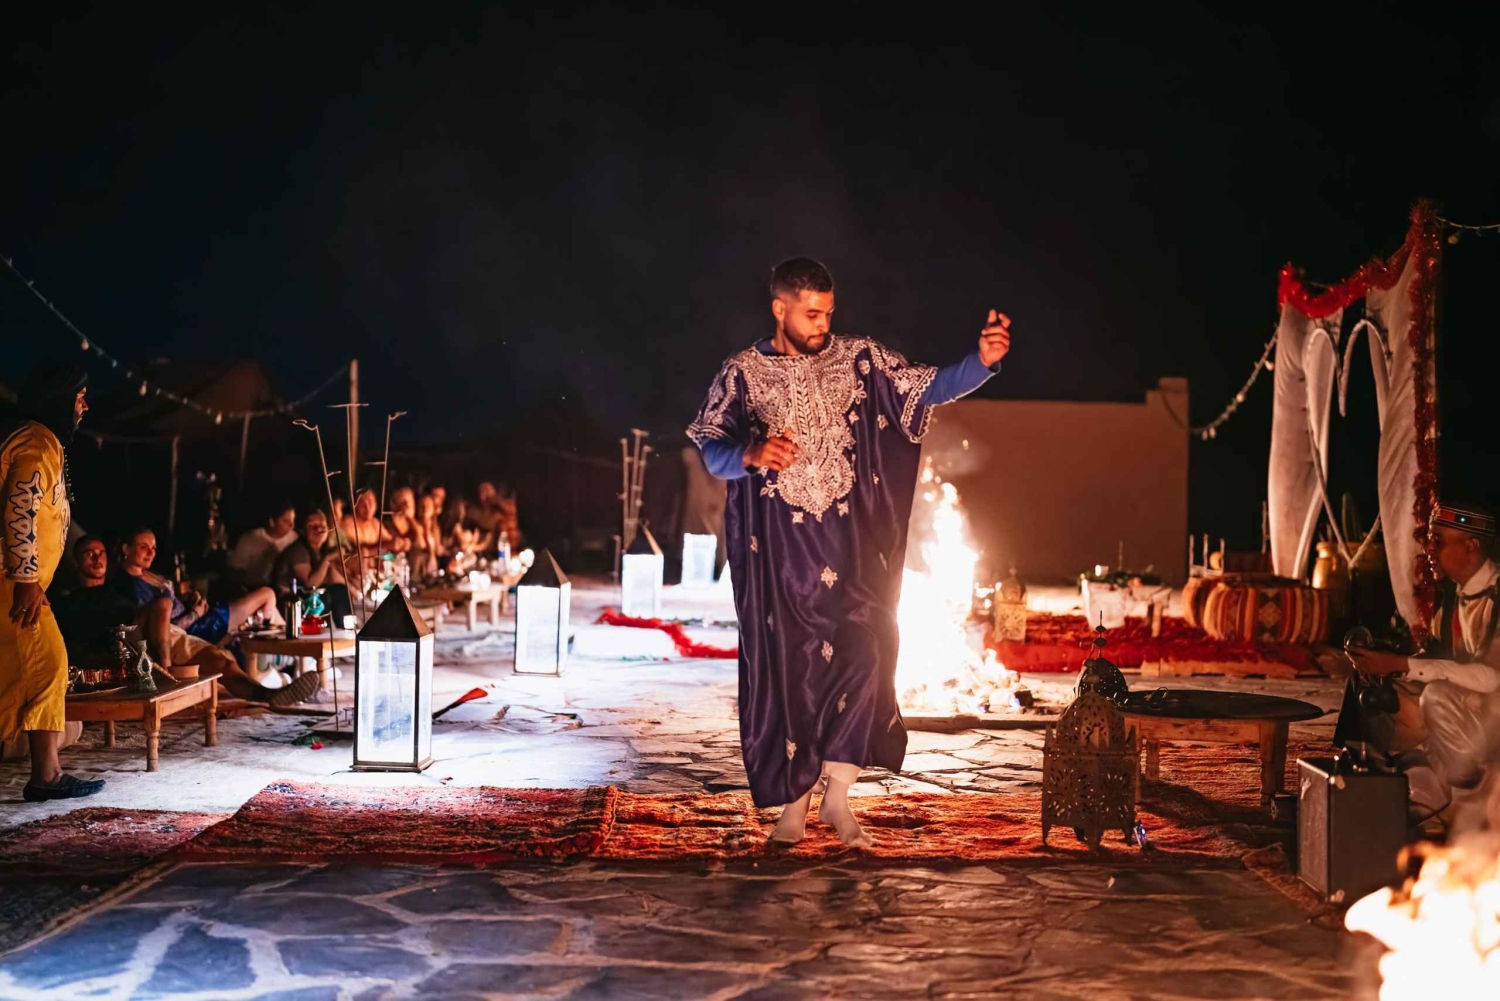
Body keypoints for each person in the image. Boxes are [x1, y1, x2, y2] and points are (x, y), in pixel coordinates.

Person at [687, 258, 1011, 846]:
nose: (822, 324)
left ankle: (839, 800)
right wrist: (752, 455)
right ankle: (794, 807)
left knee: (868, 655)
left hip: (853, 559)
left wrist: (981, 364)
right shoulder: (741, 373)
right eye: (811, 313)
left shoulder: (859, 360)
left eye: (829, 312)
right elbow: (712, 446)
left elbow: (926, 387)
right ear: (779, 308)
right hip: (780, 567)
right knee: (795, 680)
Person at [1340, 503, 1500, 826]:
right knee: (1372, 681)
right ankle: (1407, 785)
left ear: (1472, 546)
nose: (1428, 548)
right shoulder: (1454, 597)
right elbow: (1433, 659)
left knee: (1436, 696)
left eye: (1438, 540)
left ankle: (1468, 806)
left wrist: (1403, 663)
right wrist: (1382, 660)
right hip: (1467, 706)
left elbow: (1491, 678)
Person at [0, 364, 105, 801]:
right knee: (50, 662)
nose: (84, 404)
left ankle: (47, 773)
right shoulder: (36, 441)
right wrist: (26, 577)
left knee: (13, 679)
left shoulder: (43, 442)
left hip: (16, 582)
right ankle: (46, 775)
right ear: (58, 397)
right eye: (78, 395)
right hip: (12, 582)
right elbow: (20, 506)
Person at [60, 536, 316, 705]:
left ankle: (267, 695)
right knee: (163, 604)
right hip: (131, 644)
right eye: (89, 554)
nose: (97, 559)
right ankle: (165, 674)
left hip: (164, 634)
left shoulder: (117, 587)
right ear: (76, 560)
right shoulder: (72, 597)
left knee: (222, 662)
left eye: (101, 553)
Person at [116, 527, 282, 644]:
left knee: (270, 610)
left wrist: (187, 599)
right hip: (196, 628)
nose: (151, 553)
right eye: (144, 547)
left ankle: (295, 655)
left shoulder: (147, 573)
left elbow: (171, 601)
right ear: (126, 549)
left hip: (202, 618)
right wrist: (195, 614)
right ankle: (282, 646)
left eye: (153, 547)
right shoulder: (133, 587)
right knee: (267, 594)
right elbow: (163, 627)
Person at [271, 509, 351, 621]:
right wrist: (327, 559)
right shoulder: (298, 551)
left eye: (322, 525)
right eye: (312, 525)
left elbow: (335, 579)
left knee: (339, 590)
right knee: (325, 597)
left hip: (306, 599)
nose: (318, 529)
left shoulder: (320, 551)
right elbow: (310, 584)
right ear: (303, 530)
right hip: (289, 604)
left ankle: (346, 630)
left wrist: (354, 590)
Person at [226, 500, 299, 585]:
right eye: (285, 521)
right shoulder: (250, 539)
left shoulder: (294, 538)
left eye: (293, 520)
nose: (292, 525)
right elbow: (235, 572)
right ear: (272, 522)